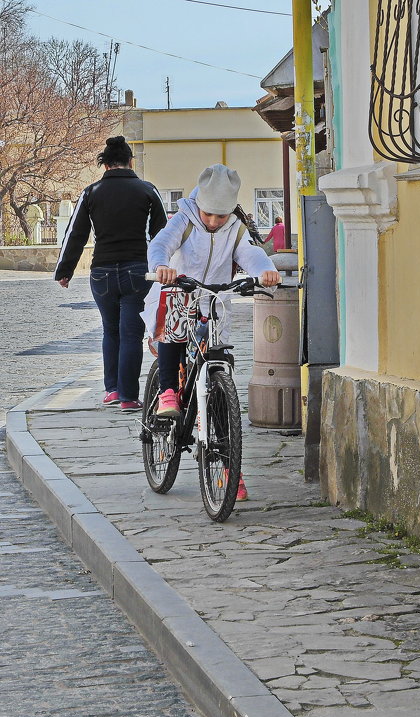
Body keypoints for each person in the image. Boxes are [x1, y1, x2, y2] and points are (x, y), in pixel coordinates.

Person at [143, 163, 280, 501]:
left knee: (219, 382)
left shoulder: (235, 227)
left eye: (221, 215)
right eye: (210, 214)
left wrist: (266, 271)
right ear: (199, 204)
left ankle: (231, 467)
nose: (215, 221)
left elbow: (251, 253)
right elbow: (160, 244)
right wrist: (162, 267)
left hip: (216, 300)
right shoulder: (185, 218)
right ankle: (168, 394)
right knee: (173, 327)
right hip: (180, 290)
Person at [54, 135, 167, 412]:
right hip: (137, 271)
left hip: (102, 272)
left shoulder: (91, 193)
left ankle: (112, 390)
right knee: (131, 334)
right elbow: (164, 235)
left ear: (104, 166)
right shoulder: (147, 190)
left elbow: (75, 234)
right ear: (131, 162)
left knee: (110, 330)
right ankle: (128, 397)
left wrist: (64, 270)